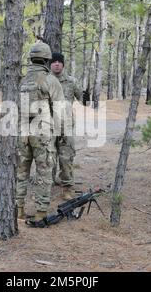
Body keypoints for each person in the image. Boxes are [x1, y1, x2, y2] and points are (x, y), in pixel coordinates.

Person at [16, 42, 65, 223]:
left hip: (21, 131)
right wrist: (61, 134)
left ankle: (18, 208)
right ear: (47, 59)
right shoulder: (50, 80)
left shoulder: (21, 80)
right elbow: (60, 110)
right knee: (44, 171)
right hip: (42, 132)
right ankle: (41, 212)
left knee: (21, 170)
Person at [50, 52, 89, 200]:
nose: (57, 64)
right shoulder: (45, 81)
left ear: (63, 64)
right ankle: (45, 188)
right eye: (54, 62)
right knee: (46, 159)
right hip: (47, 127)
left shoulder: (71, 81)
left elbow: (82, 99)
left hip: (66, 127)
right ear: (50, 64)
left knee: (66, 158)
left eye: (59, 61)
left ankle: (66, 188)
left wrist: (87, 96)